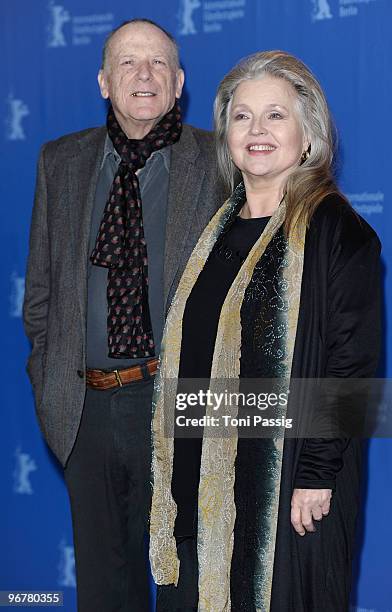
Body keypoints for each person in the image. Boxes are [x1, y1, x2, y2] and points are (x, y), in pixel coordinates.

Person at [150, 50, 381, 611]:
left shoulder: (336, 231)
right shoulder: (216, 229)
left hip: (288, 496)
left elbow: (351, 369)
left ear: (308, 132)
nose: (256, 130)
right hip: (197, 493)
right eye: (241, 116)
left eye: (275, 115)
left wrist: (316, 475)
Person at [23, 18, 225, 612]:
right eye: (128, 62)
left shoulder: (219, 162)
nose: (144, 74)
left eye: (159, 62)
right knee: (106, 591)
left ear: (179, 81)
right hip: (86, 408)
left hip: (183, 407)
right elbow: (41, 293)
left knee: (187, 583)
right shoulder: (59, 161)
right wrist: (49, 379)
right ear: (104, 82)